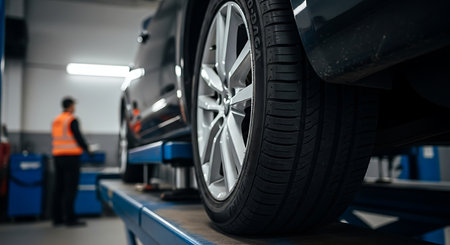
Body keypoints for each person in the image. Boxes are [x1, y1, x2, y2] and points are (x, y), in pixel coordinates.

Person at [51, 97, 89, 227]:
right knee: (70, 188)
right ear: (70, 106)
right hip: (71, 157)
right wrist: (87, 148)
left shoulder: (57, 120)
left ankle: (57, 218)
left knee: (59, 187)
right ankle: (70, 219)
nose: (74, 108)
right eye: (73, 105)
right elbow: (78, 136)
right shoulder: (71, 119)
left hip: (57, 156)